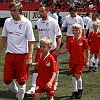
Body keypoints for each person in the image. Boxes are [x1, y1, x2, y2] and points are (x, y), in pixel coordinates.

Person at [0, 0, 35, 100]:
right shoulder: (7, 21)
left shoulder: (26, 23)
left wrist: (30, 57)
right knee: (7, 80)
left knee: (21, 81)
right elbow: (4, 38)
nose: (12, 12)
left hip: (22, 55)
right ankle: (18, 92)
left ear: (20, 10)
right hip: (10, 55)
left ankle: (20, 97)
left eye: (14, 10)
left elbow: (31, 41)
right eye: (11, 10)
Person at [25, 4, 62, 95]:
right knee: (37, 66)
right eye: (39, 11)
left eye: (42, 11)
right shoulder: (38, 22)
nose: (40, 13)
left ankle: (55, 82)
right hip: (40, 47)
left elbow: (59, 36)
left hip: (51, 48)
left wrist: (57, 49)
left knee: (53, 67)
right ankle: (34, 87)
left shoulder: (53, 22)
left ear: (47, 11)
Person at [59, 23, 90, 99]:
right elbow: (67, 49)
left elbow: (87, 50)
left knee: (77, 75)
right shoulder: (70, 39)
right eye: (73, 30)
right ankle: (75, 91)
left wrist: (88, 60)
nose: (75, 32)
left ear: (80, 31)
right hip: (72, 61)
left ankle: (80, 89)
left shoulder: (83, 40)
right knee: (73, 75)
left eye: (76, 30)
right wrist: (59, 52)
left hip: (80, 61)